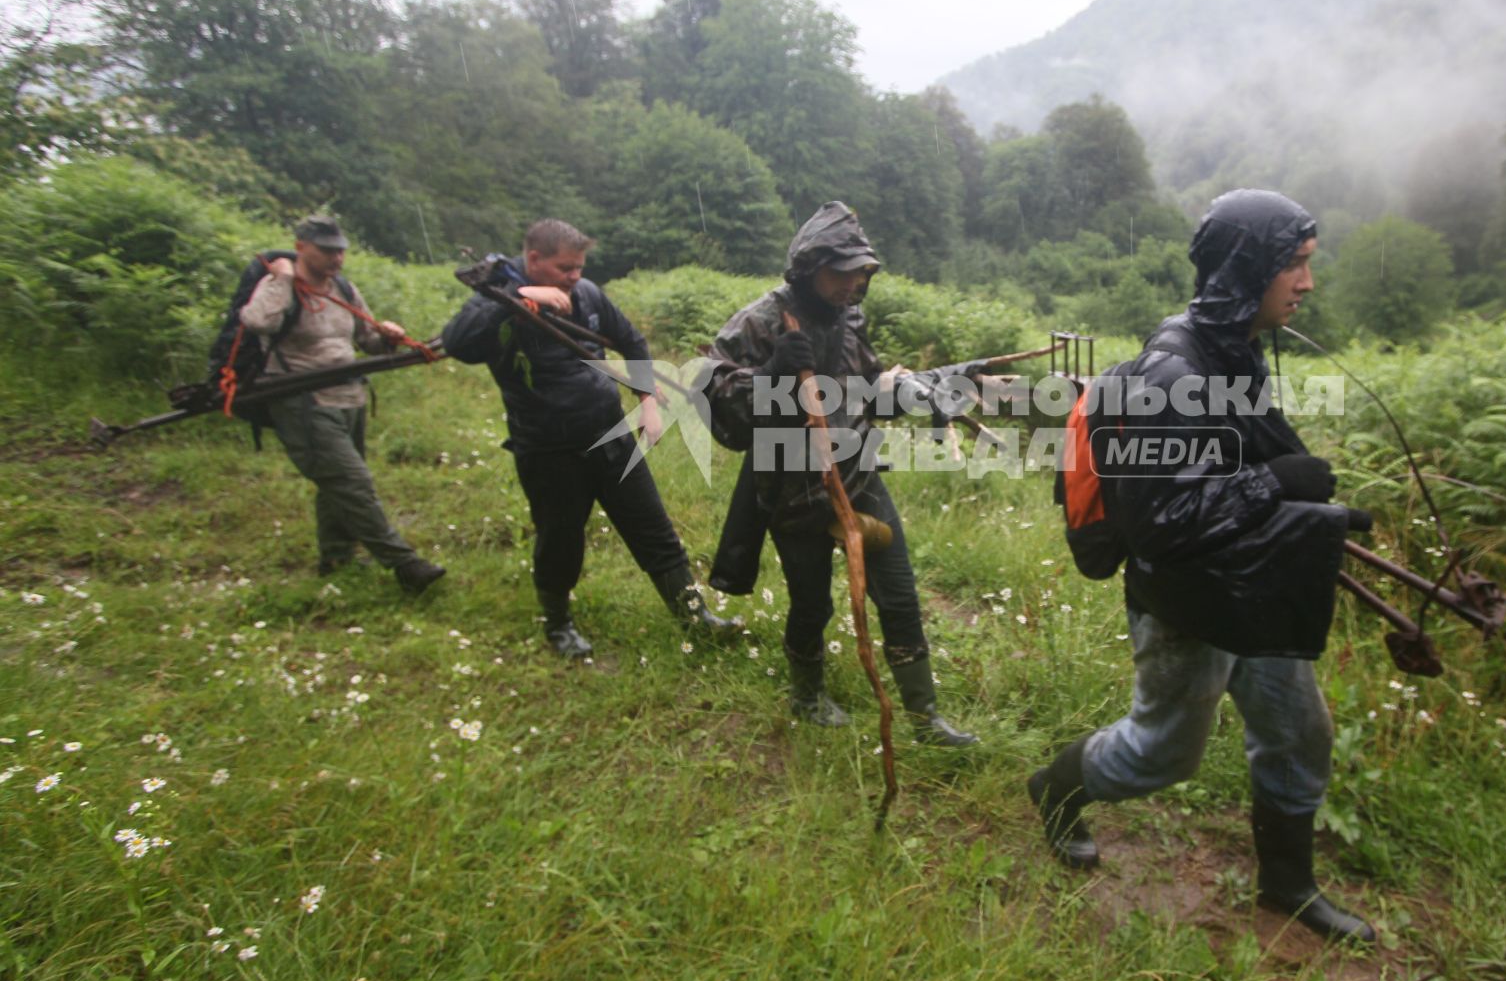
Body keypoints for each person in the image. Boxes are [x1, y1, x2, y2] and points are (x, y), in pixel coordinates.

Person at [1028, 188, 1376, 942]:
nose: (1307, 283)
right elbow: (1162, 525)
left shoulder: (1236, 346)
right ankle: (1055, 789)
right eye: (1294, 265)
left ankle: (1287, 885)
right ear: (1248, 269)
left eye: (1307, 264)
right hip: (1184, 597)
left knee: (1298, 731)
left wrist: (1319, 513)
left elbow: (1240, 447)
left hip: (1255, 579)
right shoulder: (1171, 371)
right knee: (1164, 753)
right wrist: (1276, 484)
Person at [703, 202, 977, 747]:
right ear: (809, 267)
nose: (854, 283)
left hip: (857, 474)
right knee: (812, 601)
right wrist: (772, 374)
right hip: (791, 486)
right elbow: (718, 410)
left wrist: (914, 392)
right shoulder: (759, 321)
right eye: (842, 271)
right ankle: (806, 694)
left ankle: (925, 718)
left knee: (898, 593)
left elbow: (866, 383)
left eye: (861, 272)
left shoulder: (851, 316)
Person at [439, 218, 739, 659]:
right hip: (548, 448)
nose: (574, 277)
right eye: (565, 268)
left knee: (653, 529)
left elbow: (630, 340)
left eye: (579, 267)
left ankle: (696, 617)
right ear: (533, 259)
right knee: (560, 539)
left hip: (609, 435)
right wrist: (520, 298)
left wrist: (647, 402)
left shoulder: (588, 294)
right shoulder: (496, 296)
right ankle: (558, 625)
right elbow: (457, 342)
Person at [239, 215, 445, 594]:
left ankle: (335, 558)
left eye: (341, 251)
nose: (337, 259)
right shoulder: (279, 286)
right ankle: (404, 563)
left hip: (349, 397)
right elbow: (256, 321)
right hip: (303, 401)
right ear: (301, 247)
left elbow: (366, 340)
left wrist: (387, 336)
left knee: (336, 481)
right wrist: (283, 277)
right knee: (353, 482)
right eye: (327, 251)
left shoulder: (344, 290)